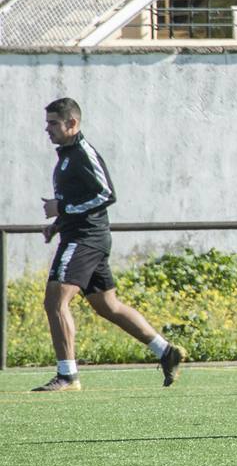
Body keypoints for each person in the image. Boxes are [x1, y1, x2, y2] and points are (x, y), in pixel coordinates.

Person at [34, 98, 184, 392]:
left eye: (53, 122)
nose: (47, 128)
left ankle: (67, 375)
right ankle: (166, 351)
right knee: (108, 306)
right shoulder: (66, 156)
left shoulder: (83, 154)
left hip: (85, 240)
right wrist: (57, 224)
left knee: (55, 301)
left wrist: (61, 207)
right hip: (82, 236)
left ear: (72, 123)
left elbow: (105, 194)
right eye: (48, 122)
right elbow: (82, 200)